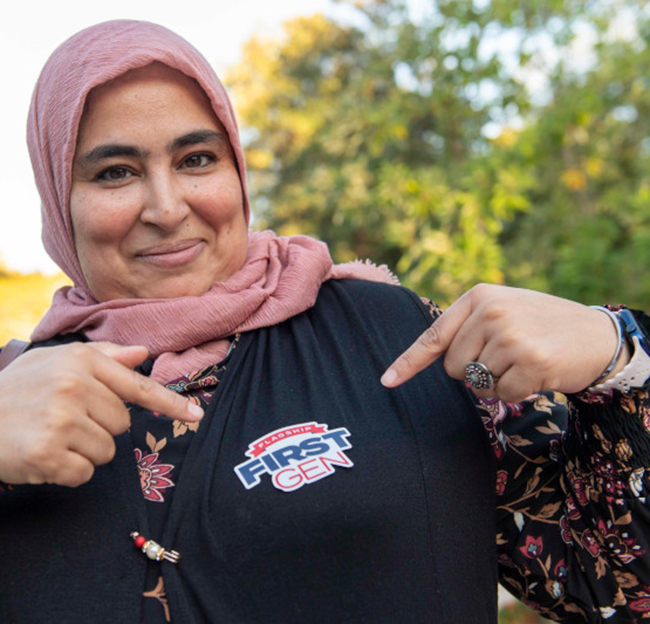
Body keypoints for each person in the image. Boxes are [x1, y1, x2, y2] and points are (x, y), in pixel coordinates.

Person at [1, 19, 649, 623]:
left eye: (197, 158)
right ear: (61, 196)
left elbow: (616, 585)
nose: (168, 208)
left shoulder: (393, 340)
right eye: (116, 172)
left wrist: (620, 354)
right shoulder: (17, 394)